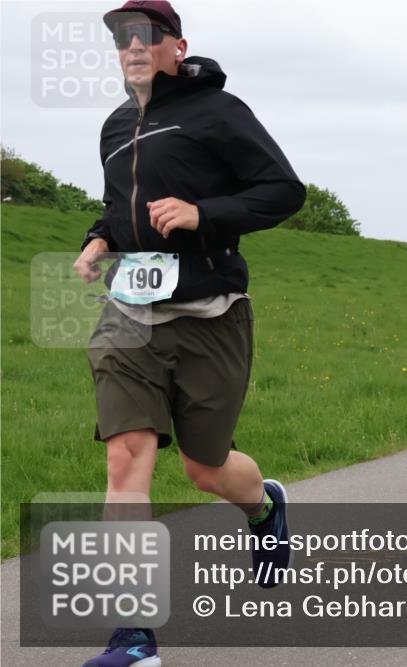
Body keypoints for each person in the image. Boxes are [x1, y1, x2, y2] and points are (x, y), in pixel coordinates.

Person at [73, 3, 305, 665]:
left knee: (206, 469)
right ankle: (135, 633)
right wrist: (97, 240)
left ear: (177, 47)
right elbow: (122, 210)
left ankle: (265, 507)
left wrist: (204, 213)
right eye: (123, 40)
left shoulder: (218, 112)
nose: (134, 48)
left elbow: (284, 190)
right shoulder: (116, 127)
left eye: (148, 37)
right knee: (126, 459)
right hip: (130, 315)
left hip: (210, 314)